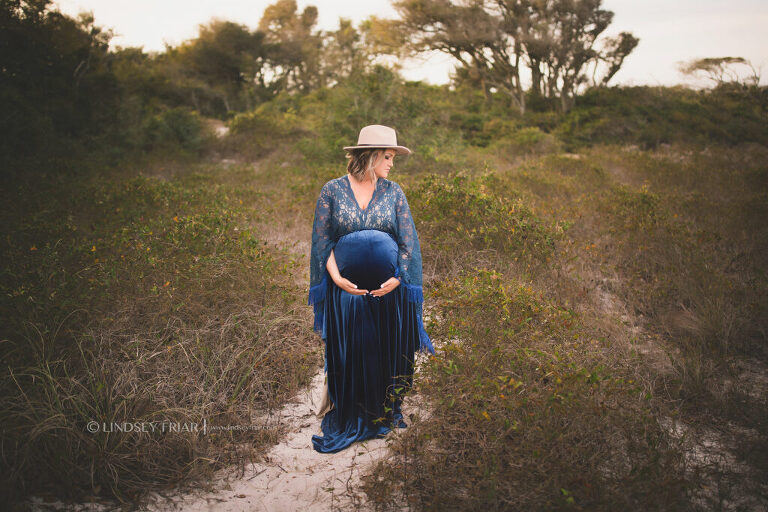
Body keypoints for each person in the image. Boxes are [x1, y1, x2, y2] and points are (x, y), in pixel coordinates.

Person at [308, 125, 435, 454]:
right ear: (372, 155)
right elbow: (323, 243)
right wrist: (336, 279)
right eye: (389, 157)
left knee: (383, 348)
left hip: (388, 292)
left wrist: (397, 278)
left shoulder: (394, 193)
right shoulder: (332, 191)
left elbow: (409, 243)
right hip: (346, 293)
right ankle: (351, 410)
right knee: (352, 350)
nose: (392, 164)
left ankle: (384, 410)